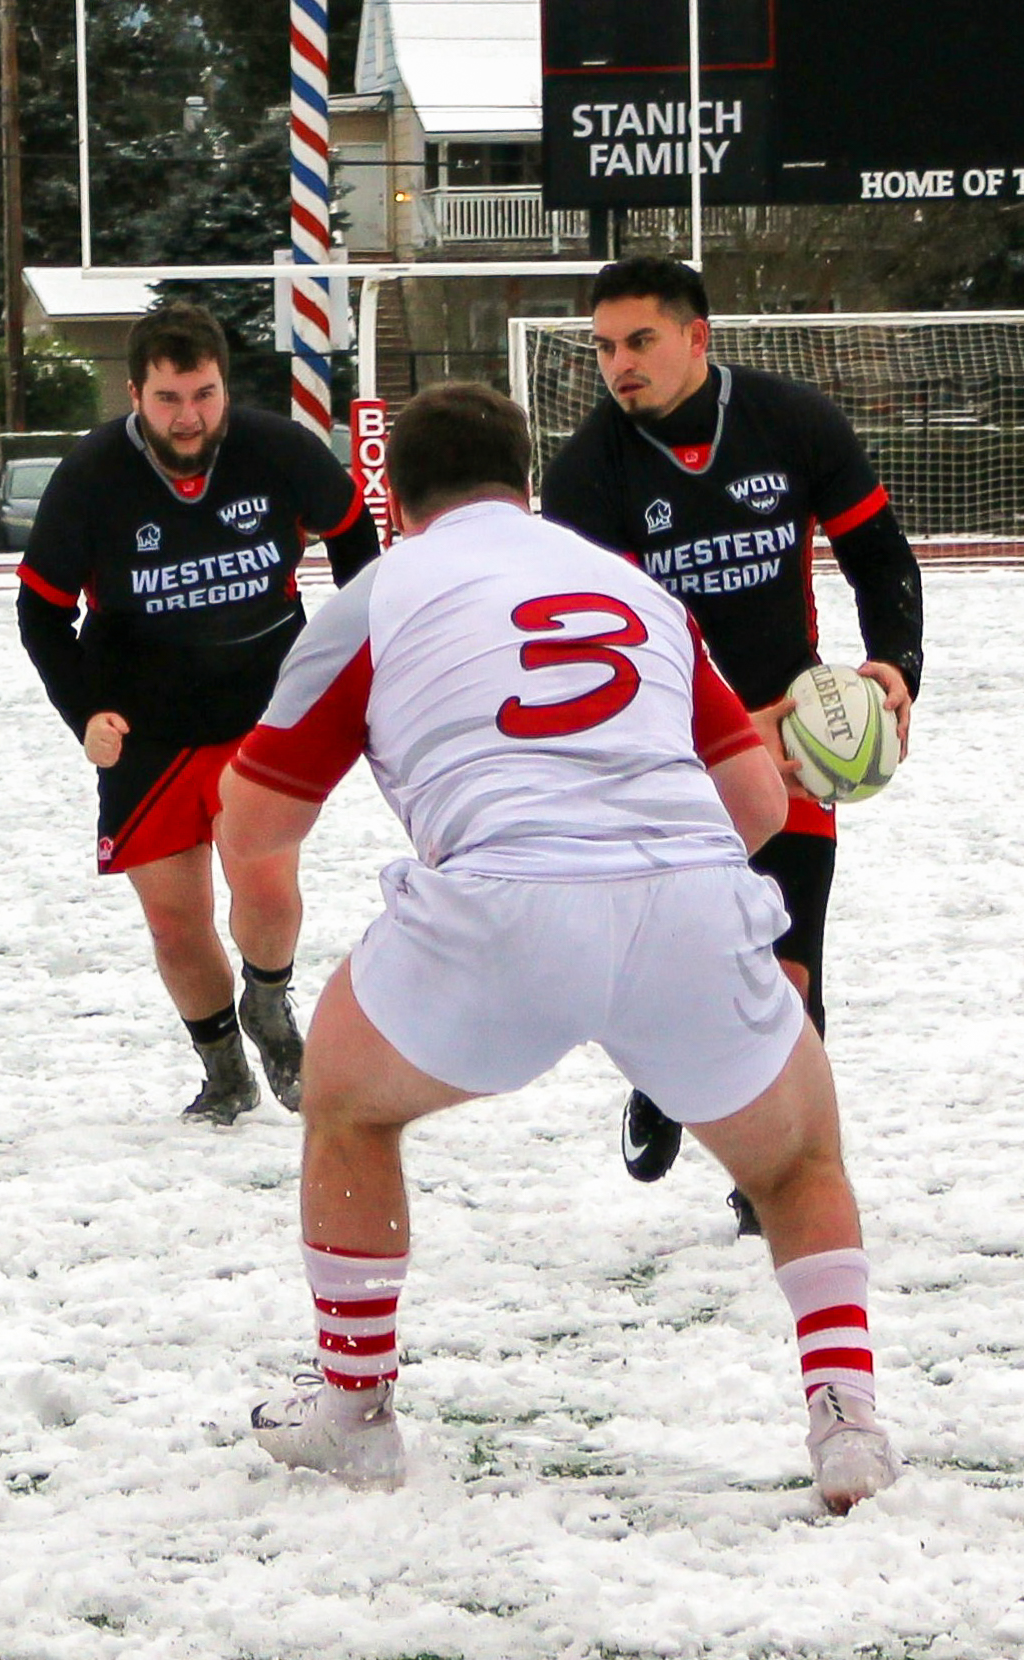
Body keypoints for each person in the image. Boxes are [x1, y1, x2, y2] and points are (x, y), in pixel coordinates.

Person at [219, 382, 897, 1513]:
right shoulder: (632, 585)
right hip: (684, 897)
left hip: (500, 910)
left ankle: (353, 1408)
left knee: (344, 1099)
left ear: (393, 502)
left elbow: (255, 824)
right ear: (526, 485)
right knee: (795, 1161)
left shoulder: (378, 595)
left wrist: (268, 965)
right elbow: (755, 804)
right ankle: (847, 1422)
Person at [540, 257, 923, 1233]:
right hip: (652, 749)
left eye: (638, 341)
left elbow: (878, 556)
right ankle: (663, 1067)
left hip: (793, 739)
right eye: (602, 348)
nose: (617, 364)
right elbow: (596, 654)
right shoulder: (585, 473)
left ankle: (770, 1183)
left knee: (787, 973)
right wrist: (715, 736)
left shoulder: (790, 423)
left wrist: (894, 667)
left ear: (696, 336)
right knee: (678, 955)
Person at [17, 300, 381, 1125]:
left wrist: (349, 649)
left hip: (259, 715)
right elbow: (40, 610)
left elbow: (353, 534)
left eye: (204, 395)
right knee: (176, 925)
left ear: (225, 387)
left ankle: (269, 1003)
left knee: (266, 887)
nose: (188, 417)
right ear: (134, 395)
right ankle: (223, 1072)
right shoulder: (91, 478)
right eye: (168, 399)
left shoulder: (277, 451)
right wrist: (84, 712)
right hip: (145, 729)